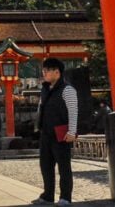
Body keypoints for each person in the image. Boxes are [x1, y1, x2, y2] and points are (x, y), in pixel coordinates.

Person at [34, 58, 78, 206]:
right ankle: (48, 195)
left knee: (64, 166)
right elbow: (41, 108)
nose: (44, 73)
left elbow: (73, 111)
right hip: (46, 133)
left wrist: (72, 131)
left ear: (57, 72)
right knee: (45, 165)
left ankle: (65, 197)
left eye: (47, 71)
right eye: (43, 70)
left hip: (62, 134)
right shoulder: (45, 89)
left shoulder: (68, 89)